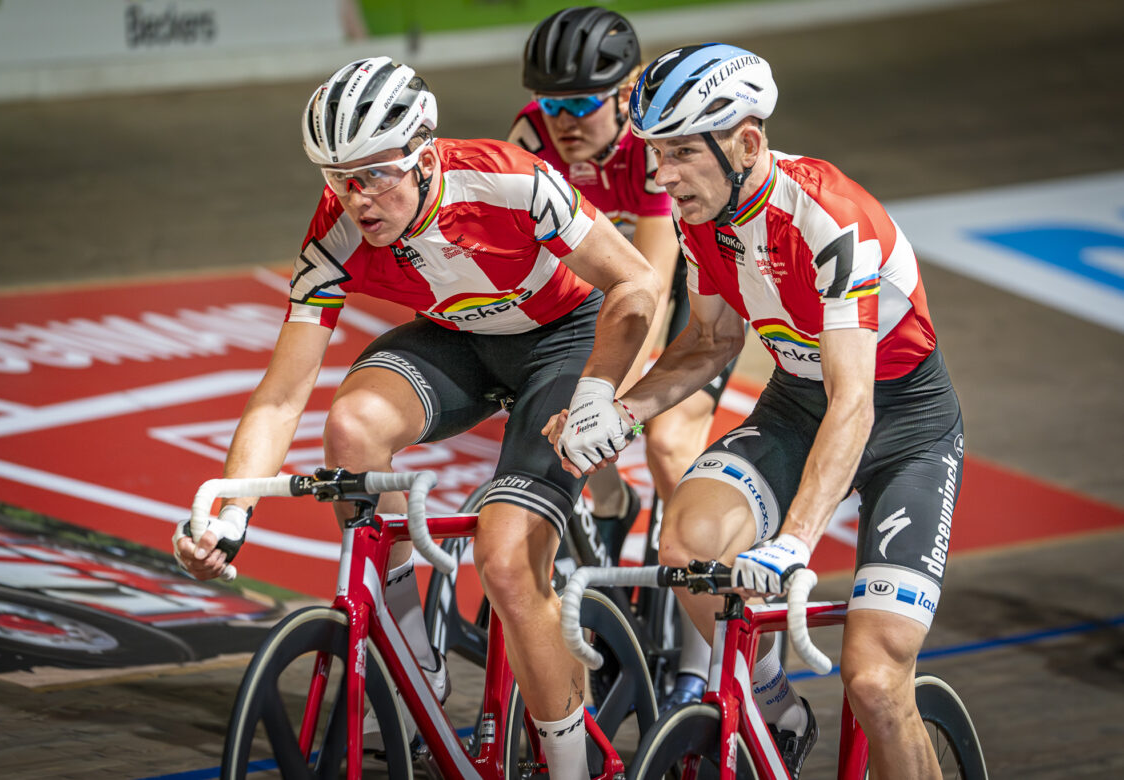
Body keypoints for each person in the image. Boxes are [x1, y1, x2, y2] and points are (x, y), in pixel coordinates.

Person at [172, 56, 659, 780]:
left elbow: (636, 280)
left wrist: (602, 393)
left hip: (562, 339)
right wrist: (229, 512)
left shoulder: (507, 178)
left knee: (503, 562)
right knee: (351, 430)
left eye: (375, 175)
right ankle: (411, 657)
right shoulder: (334, 233)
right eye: (338, 178)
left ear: (424, 158)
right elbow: (283, 392)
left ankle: (569, 766)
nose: (356, 199)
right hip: (460, 340)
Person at [547, 44, 964, 779]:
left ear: (745, 142)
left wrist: (795, 540)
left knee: (873, 680)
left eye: (680, 152)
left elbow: (856, 402)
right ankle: (774, 704)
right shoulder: (701, 214)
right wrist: (623, 412)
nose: (662, 175)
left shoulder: (832, 220)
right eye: (654, 153)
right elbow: (710, 340)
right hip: (799, 404)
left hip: (902, 426)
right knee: (690, 545)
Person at [511, 6, 737, 709]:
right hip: (612, 287)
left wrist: (618, 397)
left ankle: (703, 647)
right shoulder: (531, 134)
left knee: (668, 442)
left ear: (625, 91)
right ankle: (611, 506)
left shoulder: (653, 147)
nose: (565, 122)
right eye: (553, 104)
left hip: (693, 296)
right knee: (574, 418)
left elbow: (654, 283)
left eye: (581, 103)